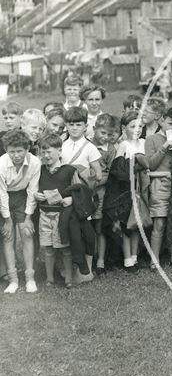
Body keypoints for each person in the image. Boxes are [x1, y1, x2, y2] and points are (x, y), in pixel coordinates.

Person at [103, 111, 148, 273]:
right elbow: (118, 170)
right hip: (125, 189)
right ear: (124, 128)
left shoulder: (144, 142)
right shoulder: (123, 145)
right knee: (126, 224)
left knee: (137, 223)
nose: (137, 130)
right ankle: (128, 259)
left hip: (140, 187)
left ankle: (135, 257)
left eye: (140, 126)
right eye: (133, 126)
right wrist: (135, 163)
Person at [61, 106, 103, 280]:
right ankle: (69, 267)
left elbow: (98, 175)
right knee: (69, 230)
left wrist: (82, 171)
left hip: (82, 196)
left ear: (86, 126)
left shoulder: (89, 147)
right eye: (71, 124)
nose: (74, 128)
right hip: (66, 194)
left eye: (78, 124)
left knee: (86, 232)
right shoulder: (62, 145)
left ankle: (87, 269)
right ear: (66, 126)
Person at [145, 107, 172, 269]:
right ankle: (154, 260)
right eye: (170, 123)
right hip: (158, 185)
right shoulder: (152, 139)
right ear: (162, 120)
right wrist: (164, 148)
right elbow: (150, 164)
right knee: (160, 223)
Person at [0, 129, 41, 294]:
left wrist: (29, 217)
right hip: (5, 197)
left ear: (27, 149)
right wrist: (8, 220)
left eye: (19, 151)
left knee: (27, 233)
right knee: (8, 236)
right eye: (12, 151)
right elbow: (1, 193)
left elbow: (33, 191)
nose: (16, 155)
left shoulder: (35, 162)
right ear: (6, 150)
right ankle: (13, 279)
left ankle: (30, 277)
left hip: (23, 196)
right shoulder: (1, 163)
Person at [34, 133, 75, 288]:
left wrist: (71, 199)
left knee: (65, 248)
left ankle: (69, 279)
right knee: (49, 248)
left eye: (49, 152)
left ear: (59, 150)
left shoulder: (69, 170)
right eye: (42, 152)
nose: (45, 155)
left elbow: (79, 191)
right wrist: (36, 194)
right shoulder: (40, 170)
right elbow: (34, 188)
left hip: (61, 215)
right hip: (44, 214)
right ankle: (49, 279)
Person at [91, 113, 117, 276]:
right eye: (102, 133)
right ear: (94, 130)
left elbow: (111, 173)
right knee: (87, 226)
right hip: (86, 192)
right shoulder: (87, 145)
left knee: (99, 227)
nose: (105, 137)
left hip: (101, 192)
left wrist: (98, 180)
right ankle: (90, 257)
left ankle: (100, 260)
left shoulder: (111, 149)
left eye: (109, 134)